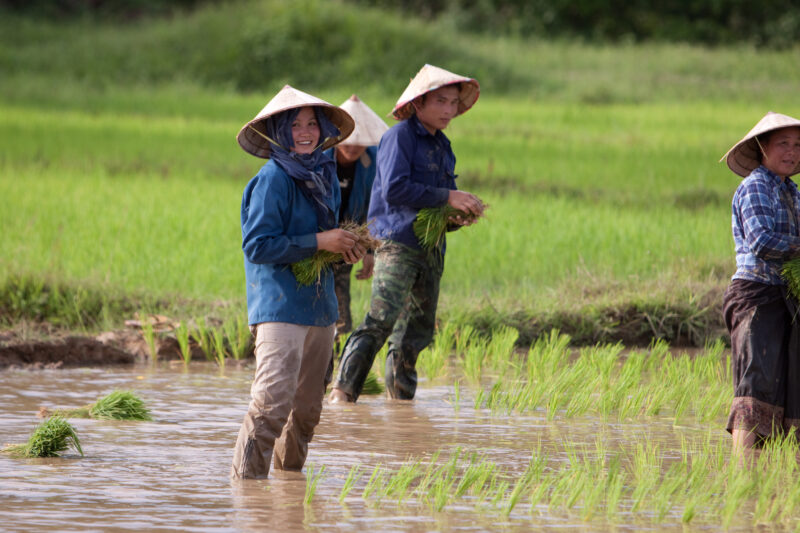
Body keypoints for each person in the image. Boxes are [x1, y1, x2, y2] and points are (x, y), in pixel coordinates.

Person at [231, 85, 366, 479]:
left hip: (320, 308)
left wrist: (343, 248)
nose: (305, 132)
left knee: (307, 411)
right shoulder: (272, 179)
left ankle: (289, 492)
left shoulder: (323, 175)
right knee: (271, 404)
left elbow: (322, 243)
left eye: (312, 123)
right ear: (278, 131)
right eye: (295, 125)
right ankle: (248, 492)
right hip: (279, 306)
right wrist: (320, 241)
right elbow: (257, 245)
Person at [328, 64, 484, 403]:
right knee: (381, 320)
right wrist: (449, 197)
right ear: (417, 104)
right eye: (440, 101)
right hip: (397, 242)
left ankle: (400, 401)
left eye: (454, 103)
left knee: (416, 330)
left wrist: (456, 217)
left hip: (431, 246)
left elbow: (439, 204)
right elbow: (396, 189)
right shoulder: (398, 138)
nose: (448, 110)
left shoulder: (443, 146)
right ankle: (342, 392)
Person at [720, 111, 800, 453]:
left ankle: (778, 480)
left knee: (788, 389)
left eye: (798, 145)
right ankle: (742, 479)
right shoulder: (754, 185)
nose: (792, 152)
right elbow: (762, 242)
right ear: (761, 148)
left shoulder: (792, 191)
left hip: (787, 297)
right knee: (756, 387)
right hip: (755, 297)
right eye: (783, 143)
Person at [323, 95, 389, 346]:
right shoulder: (319, 158)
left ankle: (336, 354)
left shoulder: (372, 161)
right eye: (348, 141)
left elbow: (375, 206)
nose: (352, 147)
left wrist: (370, 249)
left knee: (340, 301)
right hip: (317, 239)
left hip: (348, 240)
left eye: (360, 142)